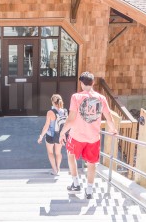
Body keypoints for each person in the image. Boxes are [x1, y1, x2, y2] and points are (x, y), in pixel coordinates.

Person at [59, 71, 118, 199]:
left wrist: (62, 133)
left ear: (81, 83)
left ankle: (76, 183)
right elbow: (109, 117)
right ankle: (89, 190)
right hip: (93, 138)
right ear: (93, 83)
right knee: (92, 163)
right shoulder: (101, 98)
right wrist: (113, 130)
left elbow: (71, 119)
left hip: (76, 136)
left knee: (71, 155)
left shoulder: (76, 97)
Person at [37, 94, 67, 175]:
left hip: (50, 135)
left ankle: (54, 170)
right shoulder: (64, 111)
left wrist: (41, 136)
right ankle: (59, 168)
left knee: (50, 153)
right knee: (58, 153)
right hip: (60, 135)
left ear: (53, 102)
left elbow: (46, 126)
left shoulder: (50, 112)